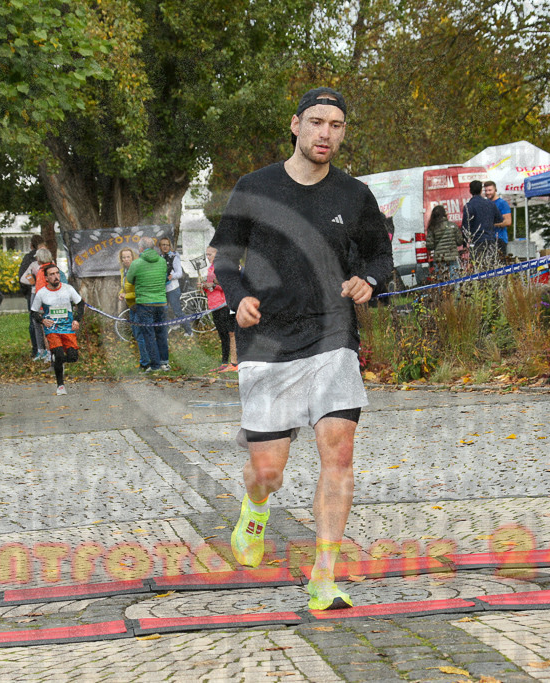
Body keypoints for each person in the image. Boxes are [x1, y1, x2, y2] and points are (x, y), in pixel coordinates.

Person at [210, 87, 392, 611]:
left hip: (332, 336)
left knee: (338, 451)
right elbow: (224, 256)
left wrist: (370, 280)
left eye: (336, 125)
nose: (325, 134)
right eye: (316, 122)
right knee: (269, 468)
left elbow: (381, 254)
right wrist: (237, 298)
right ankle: (256, 505)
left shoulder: (354, 195)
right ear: (295, 125)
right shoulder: (254, 187)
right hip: (266, 338)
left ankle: (324, 575)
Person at [30, 264, 84, 395]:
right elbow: (33, 312)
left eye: (57, 273)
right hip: (52, 329)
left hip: (67, 328)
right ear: (46, 278)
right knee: (59, 353)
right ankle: (60, 385)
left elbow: (81, 304)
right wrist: (42, 320)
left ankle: (57, 361)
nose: (55, 277)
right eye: (52, 274)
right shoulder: (42, 293)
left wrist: (76, 320)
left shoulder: (68, 289)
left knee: (73, 357)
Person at [125, 237, 170, 372]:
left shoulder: (136, 263)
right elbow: (164, 278)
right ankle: (165, 363)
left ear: (141, 249)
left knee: (149, 334)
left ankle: (155, 365)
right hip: (161, 302)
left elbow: (130, 280)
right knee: (161, 332)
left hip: (145, 303)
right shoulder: (162, 261)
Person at [201, 246, 236, 372]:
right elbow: (210, 289)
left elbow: (227, 286)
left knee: (228, 334)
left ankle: (232, 363)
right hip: (213, 305)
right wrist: (204, 286)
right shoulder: (210, 269)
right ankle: (224, 362)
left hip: (223, 305)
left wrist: (214, 284)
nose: (208, 257)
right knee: (221, 334)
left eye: (210, 254)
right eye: (207, 254)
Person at [118, 246, 150, 371]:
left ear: (133, 257)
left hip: (141, 305)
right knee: (137, 335)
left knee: (141, 335)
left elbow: (141, 291)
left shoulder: (137, 270)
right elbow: (124, 287)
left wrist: (127, 295)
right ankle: (145, 361)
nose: (126, 260)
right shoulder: (123, 271)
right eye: (123, 257)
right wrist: (121, 293)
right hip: (132, 306)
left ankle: (146, 363)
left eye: (128, 257)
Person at [460, 180, 502, 268]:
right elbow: (499, 219)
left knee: (478, 268)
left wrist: (464, 244)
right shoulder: (491, 204)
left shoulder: (469, 206)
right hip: (491, 240)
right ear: (481, 190)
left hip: (477, 242)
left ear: (470, 191)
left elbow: (465, 227)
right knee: (491, 267)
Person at [159, 236, 194, 337]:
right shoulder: (159, 258)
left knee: (177, 311)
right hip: (162, 289)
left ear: (170, 246)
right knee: (162, 311)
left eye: (167, 245)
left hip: (173, 289)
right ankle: (163, 334)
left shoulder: (174, 256)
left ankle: (189, 331)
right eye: (163, 245)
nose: (165, 247)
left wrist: (172, 276)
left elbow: (179, 273)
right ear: (160, 246)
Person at [19, 235, 46, 359]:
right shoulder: (37, 260)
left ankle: (38, 349)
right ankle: (44, 349)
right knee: (42, 321)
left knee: (35, 322)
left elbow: (22, 277)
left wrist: (31, 287)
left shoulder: (29, 259)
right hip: (42, 292)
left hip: (34, 293)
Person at [424, 204, 464, 279]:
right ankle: (456, 291)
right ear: (445, 214)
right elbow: (459, 242)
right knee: (455, 280)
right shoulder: (453, 226)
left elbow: (430, 246)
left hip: (439, 259)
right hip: (453, 257)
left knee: (442, 282)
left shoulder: (432, 228)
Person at [482, 180, 511, 260]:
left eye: (490, 190)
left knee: (500, 264)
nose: (488, 193)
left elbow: (508, 221)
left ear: (495, 190)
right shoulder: (485, 203)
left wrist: (492, 224)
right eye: (486, 190)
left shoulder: (502, 203)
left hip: (499, 239)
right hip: (487, 239)